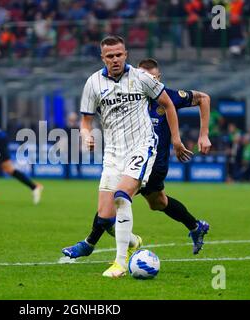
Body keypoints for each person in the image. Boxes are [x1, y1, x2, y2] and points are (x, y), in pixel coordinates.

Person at [62, 58, 211, 261]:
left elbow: (204, 98)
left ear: (158, 79)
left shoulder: (170, 97)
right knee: (158, 202)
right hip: (128, 159)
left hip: (154, 163)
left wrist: (203, 135)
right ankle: (196, 226)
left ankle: (89, 244)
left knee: (116, 198)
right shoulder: (127, 97)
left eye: (151, 78)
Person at [75, 36, 193, 278]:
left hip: (142, 148)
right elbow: (85, 121)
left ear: (126, 54)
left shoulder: (142, 78)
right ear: (102, 58)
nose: (115, 59)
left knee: (122, 196)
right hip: (113, 154)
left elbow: (168, 104)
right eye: (110, 56)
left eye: (119, 54)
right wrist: (85, 136)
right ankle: (132, 241)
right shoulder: (93, 83)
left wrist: (176, 139)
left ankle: (119, 263)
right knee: (105, 217)